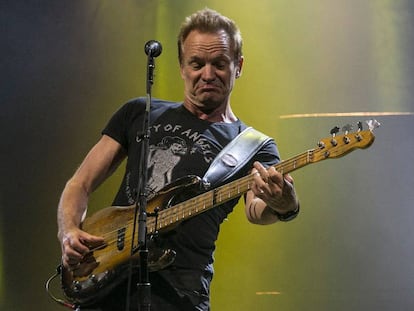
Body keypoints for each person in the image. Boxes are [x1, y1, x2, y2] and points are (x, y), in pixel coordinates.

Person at [57, 8, 300, 311]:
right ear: (182, 66)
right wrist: (68, 231)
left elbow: (256, 208)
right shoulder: (139, 113)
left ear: (238, 66)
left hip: (179, 295)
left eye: (219, 64)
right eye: (197, 63)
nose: (207, 74)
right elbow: (80, 183)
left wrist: (284, 204)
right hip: (106, 285)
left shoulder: (252, 145)